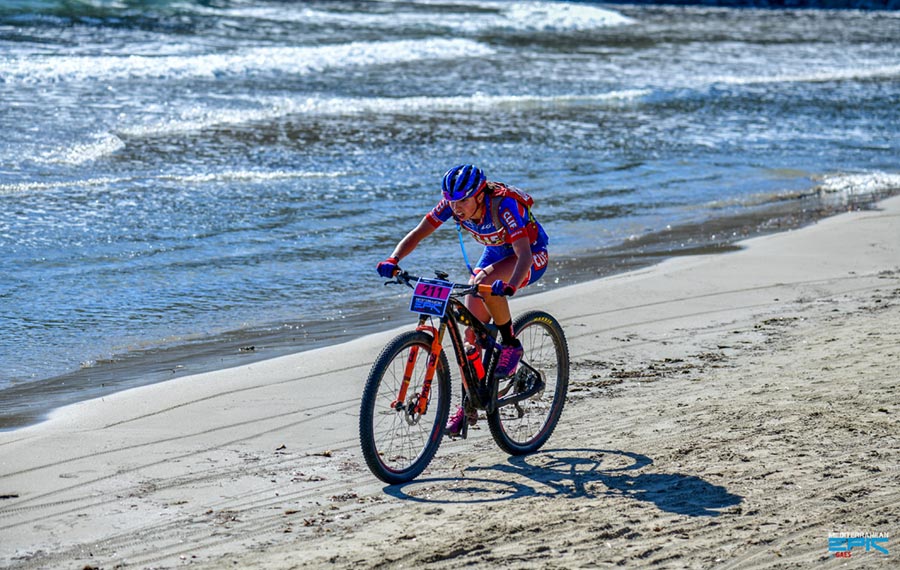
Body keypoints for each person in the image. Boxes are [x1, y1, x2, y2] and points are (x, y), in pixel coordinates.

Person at [376, 164, 550, 436]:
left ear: (480, 194)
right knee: (471, 340)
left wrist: (511, 286)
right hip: (496, 253)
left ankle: (511, 344)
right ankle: (467, 406)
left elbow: (524, 255)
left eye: (463, 201)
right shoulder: (452, 204)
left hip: (529, 255)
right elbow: (420, 232)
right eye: (452, 201)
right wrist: (393, 258)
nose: (457, 208)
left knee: (482, 286)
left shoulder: (504, 206)